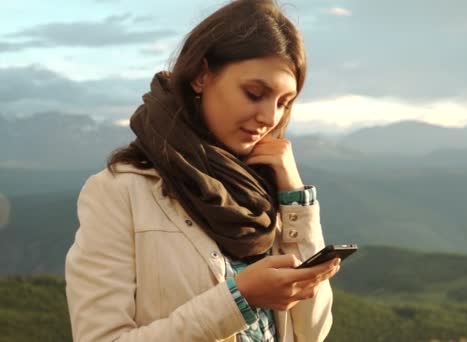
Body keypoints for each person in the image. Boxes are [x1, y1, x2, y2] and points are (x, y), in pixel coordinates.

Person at [64, 1, 340, 341]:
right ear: (201, 75)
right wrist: (240, 300)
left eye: (284, 102)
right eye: (255, 93)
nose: (270, 117)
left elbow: (312, 332)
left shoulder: (261, 190)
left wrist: (296, 200)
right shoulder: (119, 193)